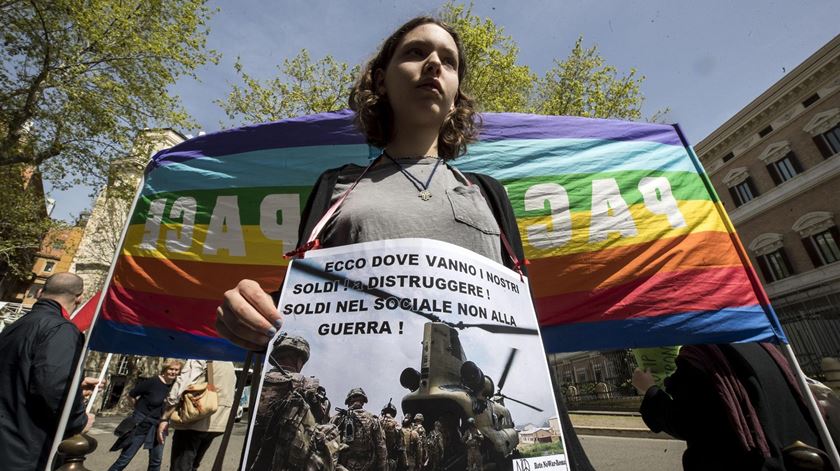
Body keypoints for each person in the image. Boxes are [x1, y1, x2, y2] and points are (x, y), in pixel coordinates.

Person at [215, 16, 593, 470]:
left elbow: (521, 308)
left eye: (448, 61)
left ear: (456, 98)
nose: (433, 63)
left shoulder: (488, 192)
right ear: (381, 80)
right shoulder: (337, 187)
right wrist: (255, 314)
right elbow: (309, 298)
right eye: (415, 52)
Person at [632, 342, 828, 471]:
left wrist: (650, 390)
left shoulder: (701, 357)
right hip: (804, 458)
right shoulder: (766, 346)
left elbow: (688, 422)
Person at [0, 272, 100, 470]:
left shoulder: (15, 326)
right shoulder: (61, 329)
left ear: (39, 293)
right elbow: (53, 387)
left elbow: (21, 375)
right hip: (25, 446)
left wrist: (75, 387)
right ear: (79, 297)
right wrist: (78, 420)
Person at [247, 334, 341, 470]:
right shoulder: (307, 383)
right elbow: (321, 421)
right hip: (285, 458)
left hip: (251, 451)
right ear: (299, 360)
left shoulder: (258, 379)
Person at [159, 359, 236, 471]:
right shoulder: (229, 362)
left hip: (194, 419)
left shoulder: (201, 356)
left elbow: (182, 385)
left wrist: (165, 417)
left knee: (180, 466)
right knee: (193, 465)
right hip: (217, 422)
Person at [108, 359, 183, 471]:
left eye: (176, 370)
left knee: (156, 461)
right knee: (125, 458)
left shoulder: (176, 386)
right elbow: (131, 395)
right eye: (171, 369)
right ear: (165, 369)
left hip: (160, 425)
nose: (173, 372)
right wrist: (138, 409)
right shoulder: (153, 382)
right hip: (141, 423)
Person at [331, 387, 388, 471]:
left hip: (343, 467)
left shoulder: (339, 417)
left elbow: (329, 444)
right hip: (368, 467)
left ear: (349, 401)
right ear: (363, 401)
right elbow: (381, 448)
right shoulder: (373, 419)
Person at [379, 401, 405, 471]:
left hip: (377, 460)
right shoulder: (397, 427)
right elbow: (401, 447)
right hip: (391, 461)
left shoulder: (377, 422)